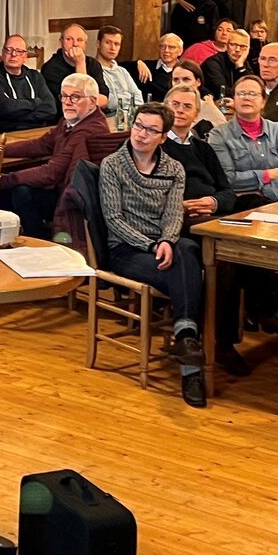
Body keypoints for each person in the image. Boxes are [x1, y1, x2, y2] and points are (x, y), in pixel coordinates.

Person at [96, 104, 209, 408]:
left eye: (151, 130)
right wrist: (151, 245)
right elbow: (114, 220)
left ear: (163, 137)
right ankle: (191, 366)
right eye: (138, 126)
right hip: (126, 249)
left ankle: (186, 341)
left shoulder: (173, 169)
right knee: (189, 273)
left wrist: (167, 241)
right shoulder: (112, 164)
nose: (141, 134)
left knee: (186, 248)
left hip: (163, 246)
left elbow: (174, 214)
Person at [0, 73, 124, 237]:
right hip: (61, 190)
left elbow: (52, 173)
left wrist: (2, 181)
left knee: (22, 192)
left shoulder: (90, 129)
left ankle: (38, 244)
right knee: (14, 190)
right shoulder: (71, 121)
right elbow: (41, 145)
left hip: (73, 202)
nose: (66, 102)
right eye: (64, 96)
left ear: (93, 102)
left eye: (75, 97)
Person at [209, 74, 278, 206]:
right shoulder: (218, 135)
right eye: (241, 93)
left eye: (253, 94)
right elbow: (227, 179)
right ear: (234, 100)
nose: (246, 97)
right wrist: (265, 175)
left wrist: (264, 194)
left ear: (263, 101)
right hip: (239, 207)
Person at [160, 86, 234, 223]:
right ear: (164, 108)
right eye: (175, 104)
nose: (180, 110)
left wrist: (214, 202)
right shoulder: (155, 146)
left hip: (211, 212)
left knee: (256, 204)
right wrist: (179, 207)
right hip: (177, 217)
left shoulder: (204, 148)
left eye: (187, 106)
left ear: (196, 115)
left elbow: (228, 192)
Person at [0, 34, 55, 131]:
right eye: (9, 50)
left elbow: (51, 109)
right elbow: (4, 108)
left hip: (37, 131)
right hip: (6, 134)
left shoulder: (35, 76)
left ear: (25, 56)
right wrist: (36, 103)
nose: (13, 54)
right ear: (3, 53)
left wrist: (17, 115)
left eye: (19, 51)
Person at [41, 23, 109, 110]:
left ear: (85, 44)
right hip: (66, 119)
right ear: (61, 42)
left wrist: (87, 100)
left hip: (95, 117)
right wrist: (80, 63)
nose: (75, 44)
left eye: (80, 40)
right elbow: (78, 105)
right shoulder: (50, 68)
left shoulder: (93, 64)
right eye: (69, 39)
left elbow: (104, 100)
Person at [93, 25, 144, 111]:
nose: (112, 48)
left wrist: (115, 100)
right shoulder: (92, 70)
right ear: (98, 43)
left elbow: (139, 100)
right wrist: (127, 97)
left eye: (116, 44)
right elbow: (104, 101)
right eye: (108, 42)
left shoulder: (122, 71)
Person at [169, 60, 229, 128]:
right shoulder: (164, 109)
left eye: (186, 79)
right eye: (176, 80)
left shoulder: (209, 109)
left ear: (198, 82)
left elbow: (225, 135)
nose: (180, 84)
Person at [201, 27, 254, 101]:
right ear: (227, 45)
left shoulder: (244, 64)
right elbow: (223, 92)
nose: (237, 50)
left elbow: (252, 89)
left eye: (243, 46)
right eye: (233, 45)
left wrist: (240, 67)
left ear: (248, 49)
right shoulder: (213, 63)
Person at [137, 31, 186, 101]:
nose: (166, 50)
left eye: (171, 47)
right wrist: (138, 63)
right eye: (162, 46)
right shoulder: (147, 66)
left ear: (180, 51)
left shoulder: (185, 70)